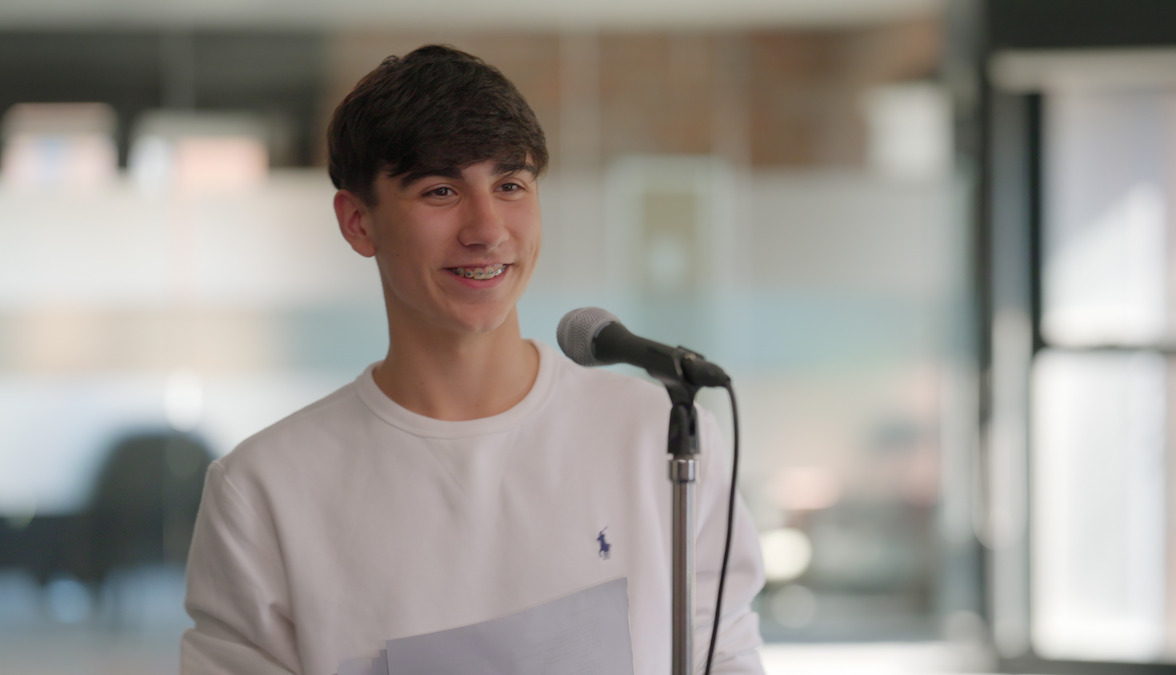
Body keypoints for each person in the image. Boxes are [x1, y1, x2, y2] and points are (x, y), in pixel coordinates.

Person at [180, 44, 765, 675]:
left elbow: (724, 650)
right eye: (440, 191)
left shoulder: (662, 437)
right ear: (358, 223)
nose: (487, 228)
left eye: (510, 185)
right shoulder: (265, 489)